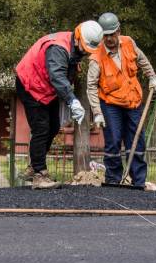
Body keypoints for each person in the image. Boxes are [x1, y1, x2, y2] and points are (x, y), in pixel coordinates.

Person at [15, 20, 103, 189]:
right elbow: (57, 76)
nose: (86, 52)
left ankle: (34, 166)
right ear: (78, 37)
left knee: (54, 126)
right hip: (30, 84)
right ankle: (39, 174)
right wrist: (72, 100)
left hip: (46, 87)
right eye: (85, 47)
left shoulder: (75, 48)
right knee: (41, 127)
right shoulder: (58, 48)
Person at [87, 12, 156, 188]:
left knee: (136, 140)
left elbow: (142, 60)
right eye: (106, 35)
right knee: (113, 140)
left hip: (133, 101)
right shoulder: (96, 57)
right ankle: (113, 179)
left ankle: (138, 180)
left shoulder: (128, 43)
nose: (109, 38)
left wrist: (151, 77)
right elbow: (91, 87)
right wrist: (97, 112)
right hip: (110, 104)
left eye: (112, 34)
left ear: (118, 31)